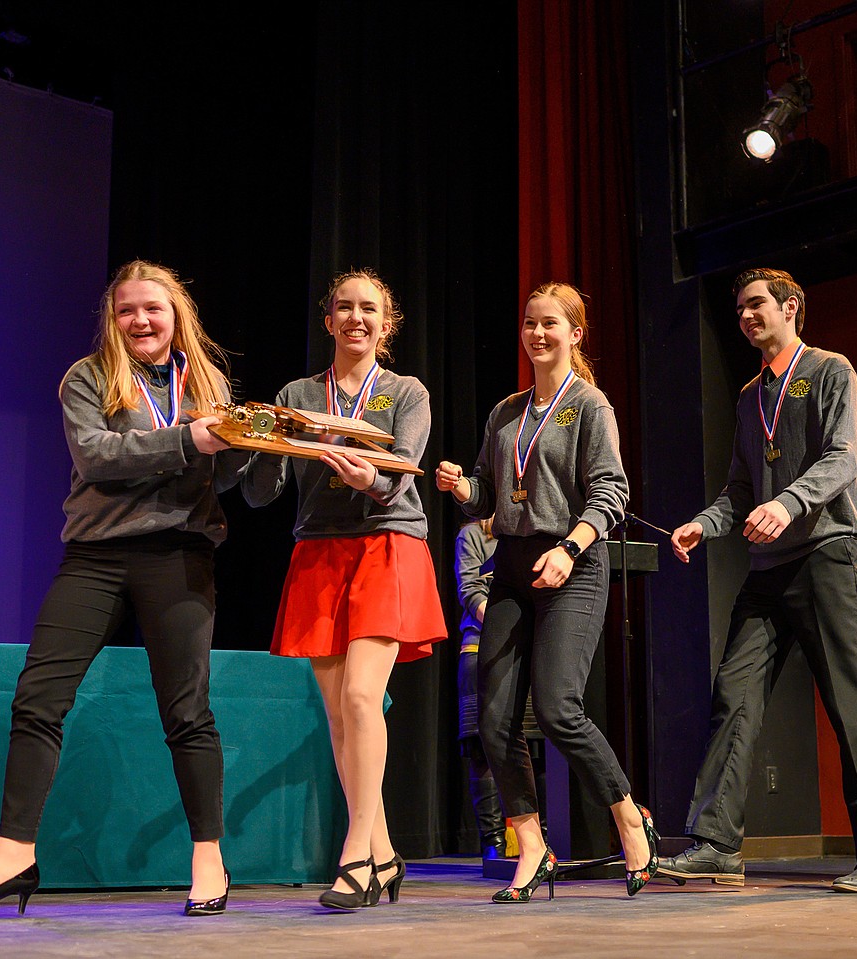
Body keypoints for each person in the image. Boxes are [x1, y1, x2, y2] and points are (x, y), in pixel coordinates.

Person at [0, 260, 239, 917]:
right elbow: (98, 457)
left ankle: (209, 859)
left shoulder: (208, 383)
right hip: (96, 557)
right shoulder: (89, 377)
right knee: (37, 697)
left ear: (175, 311)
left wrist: (260, 443)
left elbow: (237, 477)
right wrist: (192, 438)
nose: (140, 320)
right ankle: (14, 855)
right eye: (126, 309)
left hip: (180, 556)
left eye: (152, 308)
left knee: (187, 711)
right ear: (113, 317)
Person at [661, 268, 857, 893]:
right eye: (740, 307)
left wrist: (790, 504)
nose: (746, 316)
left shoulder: (830, 371)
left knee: (850, 704)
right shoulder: (749, 398)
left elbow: (842, 458)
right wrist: (704, 525)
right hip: (769, 568)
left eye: (757, 304)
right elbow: (742, 491)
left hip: (826, 552)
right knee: (734, 694)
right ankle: (717, 842)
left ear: (792, 306)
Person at [435, 281, 656, 903]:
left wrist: (571, 548)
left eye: (550, 324)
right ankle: (532, 847)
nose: (537, 334)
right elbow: (488, 491)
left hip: (573, 564)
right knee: (497, 718)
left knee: (558, 708)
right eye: (529, 323)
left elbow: (611, 493)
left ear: (575, 333)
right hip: (512, 565)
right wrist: (462, 489)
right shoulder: (506, 412)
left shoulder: (590, 406)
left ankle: (628, 819)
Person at [241, 269, 446, 910]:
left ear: (387, 325)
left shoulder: (407, 392)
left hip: (388, 542)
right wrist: (271, 441)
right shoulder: (298, 392)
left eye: (370, 309)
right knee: (338, 714)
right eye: (344, 308)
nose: (357, 318)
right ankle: (382, 853)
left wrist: (367, 481)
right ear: (327, 320)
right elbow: (258, 492)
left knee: (363, 695)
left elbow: (402, 475)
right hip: (319, 550)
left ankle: (356, 852)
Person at [454, 516, 547, 859]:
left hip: (531, 645)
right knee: (483, 747)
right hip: (482, 647)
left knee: (533, 743)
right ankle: (493, 842)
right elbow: (470, 590)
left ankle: (536, 837)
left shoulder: (534, 529)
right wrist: (502, 628)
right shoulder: (473, 535)